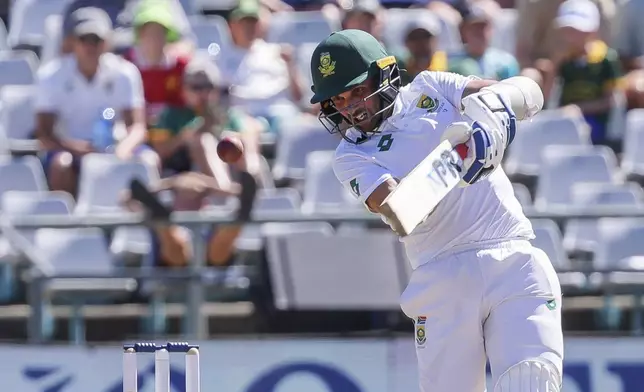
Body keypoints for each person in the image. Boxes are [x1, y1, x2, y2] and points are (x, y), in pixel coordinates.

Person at [309, 29, 563, 391]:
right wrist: (461, 155)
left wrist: (493, 117)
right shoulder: (351, 155)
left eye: (358, 91)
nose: (352, 107)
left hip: (513, 258)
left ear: (384, 74)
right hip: (443, 276)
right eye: (340, 100)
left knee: (531, 381)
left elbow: (530, 92)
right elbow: (400, 211)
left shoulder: (431, 87)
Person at [34, 7, 156, 197]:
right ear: (73, 42)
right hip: (68, 150)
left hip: (116, 146)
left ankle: (148, 222)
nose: (90, 46)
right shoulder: (50, 76)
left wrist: (123, 149)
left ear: (106, 42)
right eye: (84, 39)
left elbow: (138, 127)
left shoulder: (126, 73)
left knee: (149, 159)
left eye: (96, 40)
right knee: (61, 164)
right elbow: (44, 134)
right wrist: (75, 148)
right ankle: (68, 224)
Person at [545, 0, 623, 147]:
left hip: (596, 122)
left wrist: (579, 109)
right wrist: (554, 66)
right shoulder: (563, 60)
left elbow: (610, 101)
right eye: (567, 31)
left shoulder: (606, 59)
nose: (571, 37)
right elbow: (547, 98)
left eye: (577, 31)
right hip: (565, 119)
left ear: (592, 31)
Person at [122, 1, 190, 125]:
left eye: (159, 32)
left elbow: (186, 108)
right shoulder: (126, 66)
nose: (154, 39)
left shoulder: (181, 66)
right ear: (140, 34)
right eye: (149, 32)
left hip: (172, 134)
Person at [448, 1, 520, 80]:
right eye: (474, 28)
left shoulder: (506, 62)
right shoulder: (452, 61)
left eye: (483, 27)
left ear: (491, 30)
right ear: (463, 31)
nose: (480, 33)